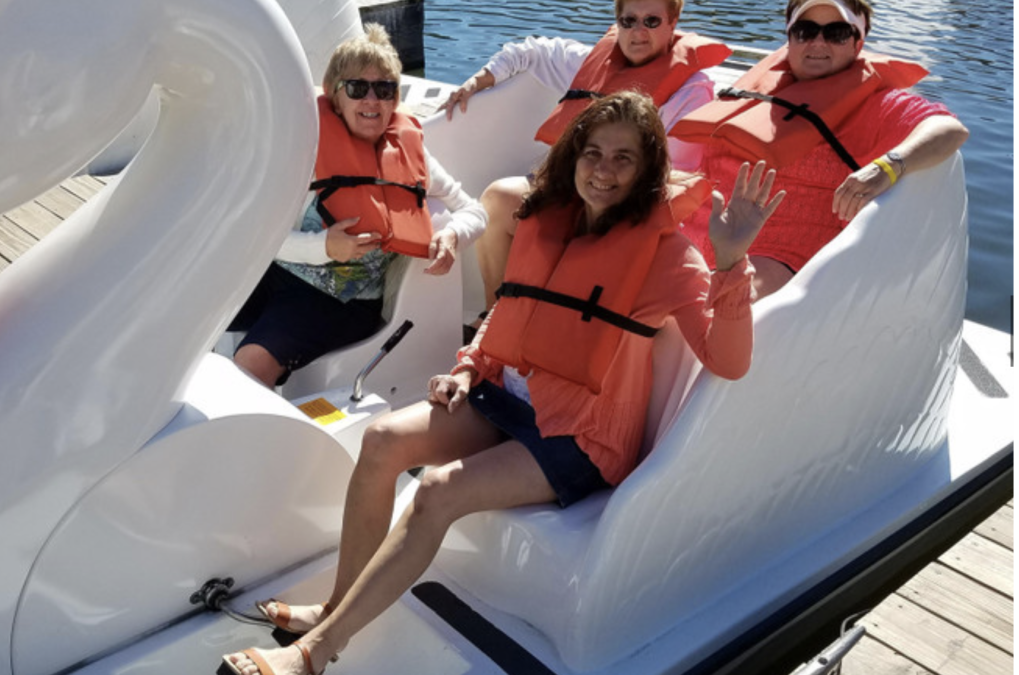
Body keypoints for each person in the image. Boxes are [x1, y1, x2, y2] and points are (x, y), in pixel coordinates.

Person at [219, 91, 783, 675]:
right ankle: (335, 605)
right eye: (593, 153)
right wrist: (468, 367)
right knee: (383, 439)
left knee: (437, 491)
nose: (603, 170)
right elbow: (509, 312)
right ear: (573, 157)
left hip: (580, 437)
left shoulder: (670, 258)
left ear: (647, 172)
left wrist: (730, 263)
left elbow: (727, 360)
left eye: (624, 158)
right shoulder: (550, 223)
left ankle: (314, 653)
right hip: (508, 398)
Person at [439, 0, 732, 332]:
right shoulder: (593, 62)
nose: (638, 32)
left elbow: (671, 178)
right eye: (628, 21)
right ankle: (498, 319)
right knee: (498, 199)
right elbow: (531, 51)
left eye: (651, 21)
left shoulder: (692, 93)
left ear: (673, 22)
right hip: (577, 191)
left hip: (631, 207)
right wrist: (477, 81)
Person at [230, 24, 486, 387]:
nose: (371, 100)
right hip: (273, 274)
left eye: (384, 89)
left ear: (395, 100)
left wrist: (453, 236)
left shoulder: (413, 157)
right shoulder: (305, 147)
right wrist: (323, 247)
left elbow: (475, 210)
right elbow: (259, 235)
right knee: (182, 310)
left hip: (341, 303)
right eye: (356, 88)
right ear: (335, 97)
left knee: (249, 366)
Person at [671, 0, 969, 298]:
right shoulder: (757, 91)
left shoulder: (876, 106)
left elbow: (947, 129)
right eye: (805, 31)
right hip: (700, 229)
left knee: (710, 304)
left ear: (857, 44)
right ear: (789, 39)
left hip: (778, 252)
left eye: (836, 33)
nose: (818, 42)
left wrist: (887, 167)